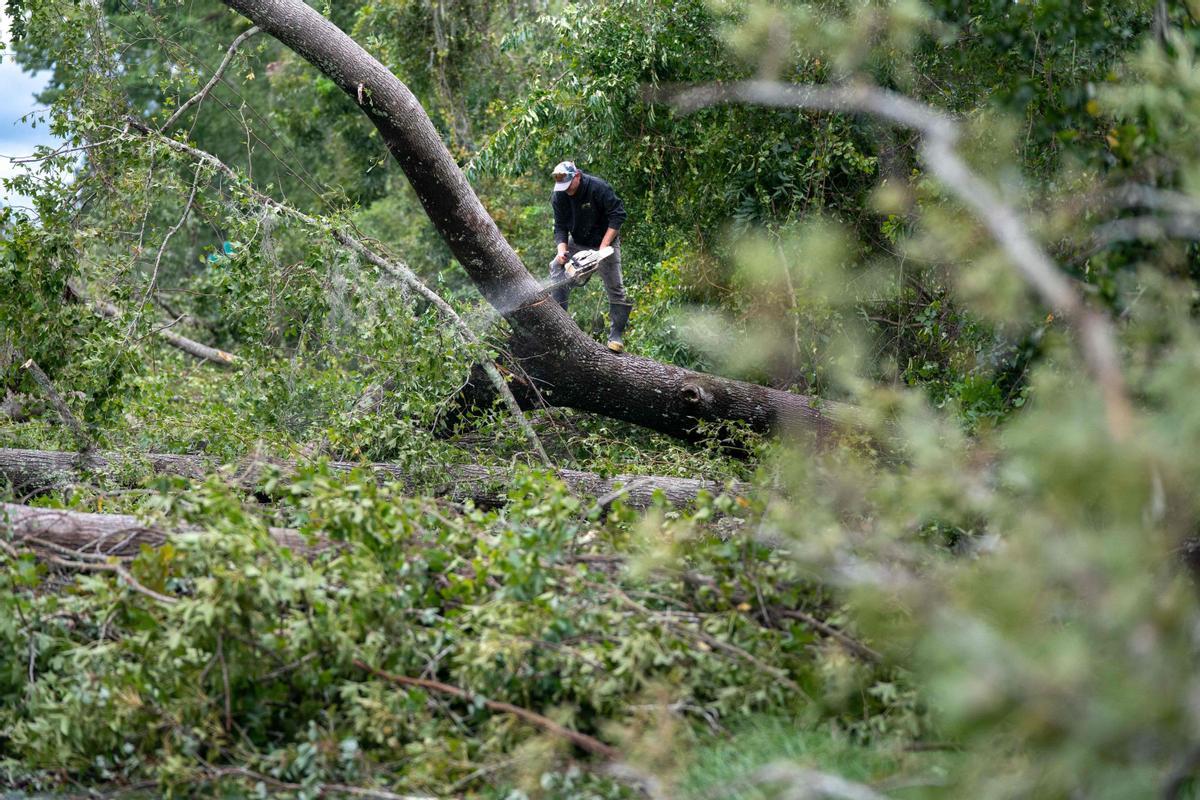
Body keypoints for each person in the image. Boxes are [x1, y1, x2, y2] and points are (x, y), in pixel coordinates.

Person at [548, 160, 632, 353]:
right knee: (556, 266)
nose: (566, 189)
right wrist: (562, 251)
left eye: (569, 185)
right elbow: (560, 226)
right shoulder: (559, 195)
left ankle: (616, 336)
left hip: (605, 242)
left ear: (576, 176)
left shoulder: (598, 188)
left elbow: (618, 215)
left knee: (616, 287)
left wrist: (602, 249)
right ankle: (559, 322)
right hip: (577, 240)